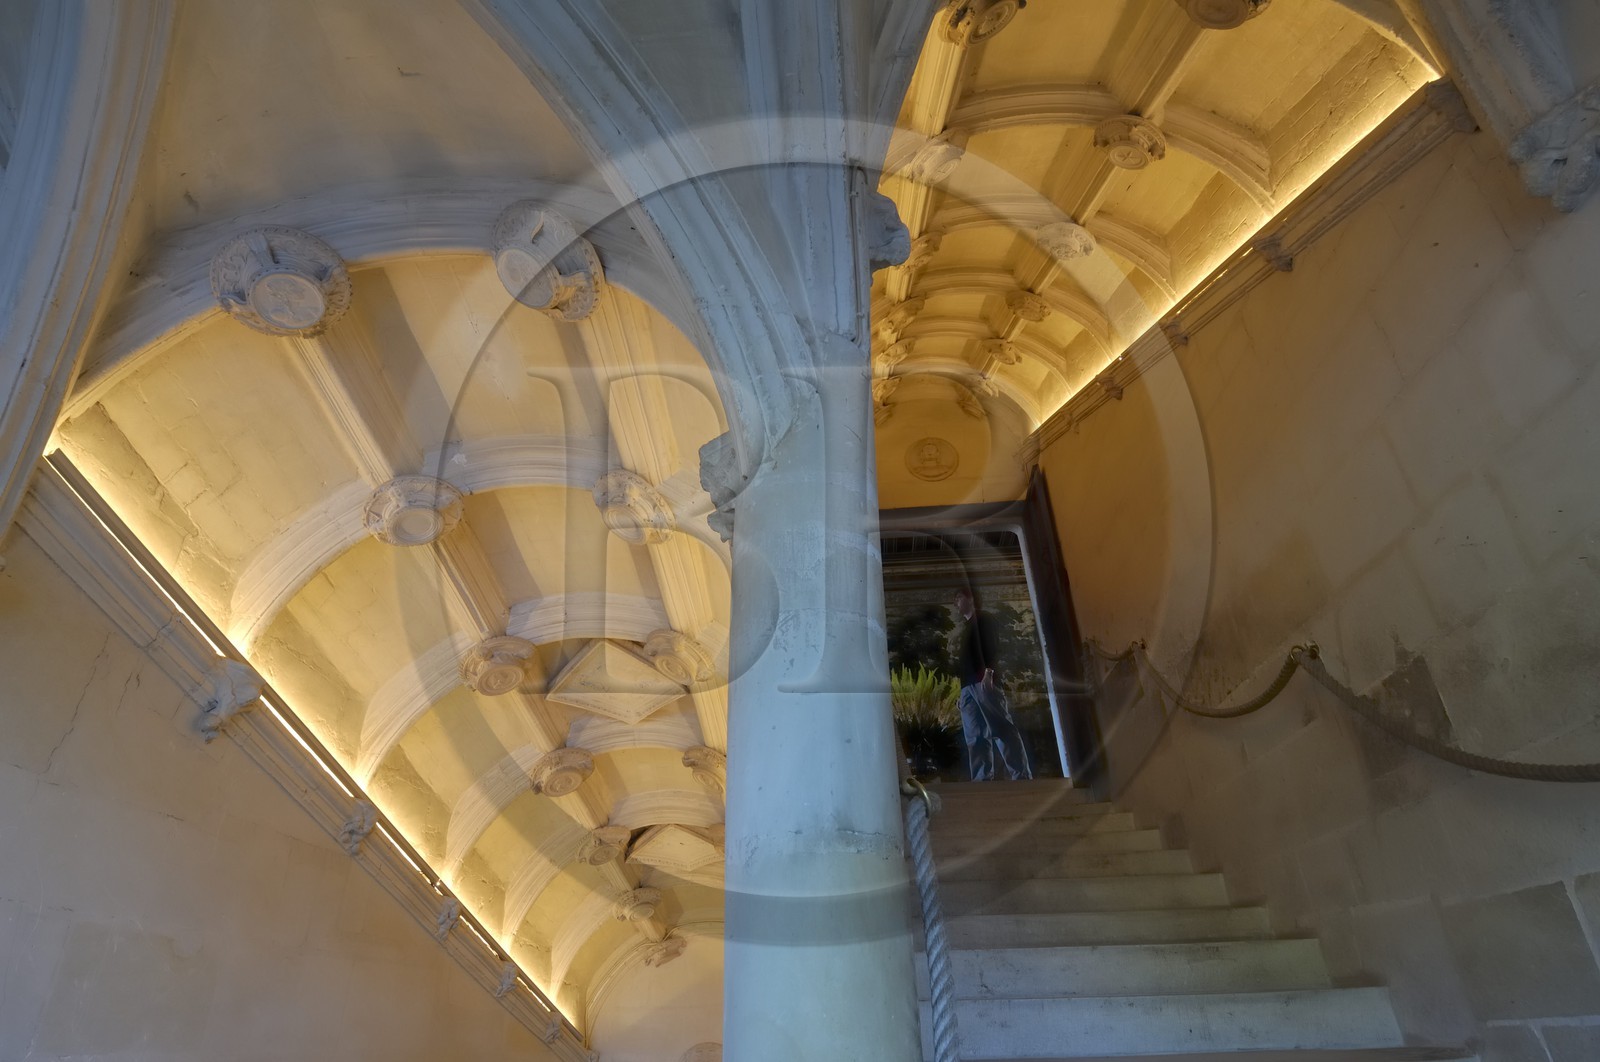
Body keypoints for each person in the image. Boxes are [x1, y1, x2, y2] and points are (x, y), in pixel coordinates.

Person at [952, 586, 1033, 781]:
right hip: (968, 687)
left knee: (1002, 728)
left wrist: (988, 673)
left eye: (959, 598)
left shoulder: (984, 619)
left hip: (984, 682)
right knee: (975, 736)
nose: (956, 602)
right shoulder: (966, 628)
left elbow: (992, 647)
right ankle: (981, 779)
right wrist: (962, 692)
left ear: (970, 598)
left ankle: (1021, 775)